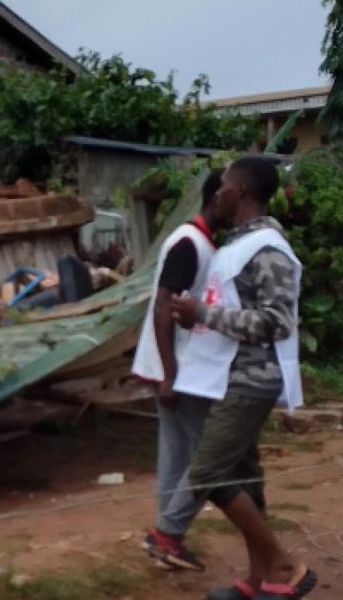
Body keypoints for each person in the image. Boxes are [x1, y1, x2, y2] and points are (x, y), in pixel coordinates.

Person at [170, 156, 316, 600]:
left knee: (207, 473)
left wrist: (203, 313)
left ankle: (285, 565)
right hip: (228, 374)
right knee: (246, 479)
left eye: (227, 185)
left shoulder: (268, 248)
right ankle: (259, 578)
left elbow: (277, 321)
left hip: (254, 377)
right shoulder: (237, 244)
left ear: (245, 192)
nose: (218, 192)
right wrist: (194, 318)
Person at [131, 169, 224, 571]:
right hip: (178, 369)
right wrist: (170, 375)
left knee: (176, 453)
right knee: (211, 457)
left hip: (174, 365)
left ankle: (167, 538)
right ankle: (168, 533)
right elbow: (163, 305)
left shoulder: (199, 241)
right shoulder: (190, 243)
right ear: (220, 197)